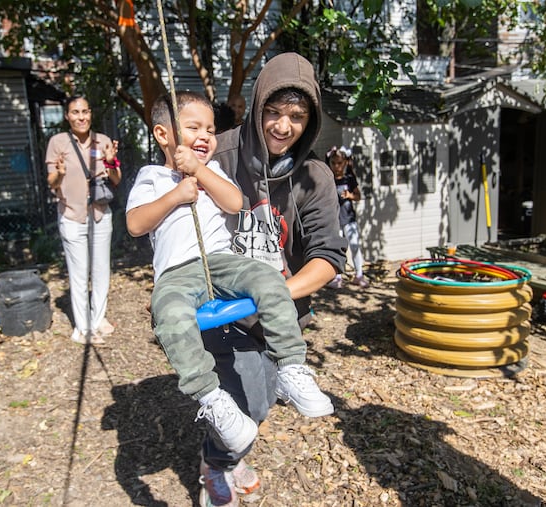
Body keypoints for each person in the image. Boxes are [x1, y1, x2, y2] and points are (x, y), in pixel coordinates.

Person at [126, 91, 332, 456]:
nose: (206, 135)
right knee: (169, 315)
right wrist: (175, 195)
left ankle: (292, 368)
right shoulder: (152, 176)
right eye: (193, 127)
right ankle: (213, 399)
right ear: (163, 135)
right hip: (175, 273)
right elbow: (135, 224)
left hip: (222, 263)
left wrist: (200, 171)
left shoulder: (212, 170)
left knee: (268, 279)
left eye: (210, 129)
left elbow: (235, 203)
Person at [197, 53, 348, 507]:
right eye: (273, 112)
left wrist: (275, 294)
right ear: (257, 105)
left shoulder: (314, 176)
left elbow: (328, 256)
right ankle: (214, 467)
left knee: (256, 405)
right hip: (220, 311)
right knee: (248, 405)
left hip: (278, 314)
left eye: (297, 117)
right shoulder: (218, 154)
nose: (283, 126)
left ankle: (227, 454)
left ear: (311, 121)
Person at [45, 95, 121, 345]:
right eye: (75, 112)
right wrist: (60, 174)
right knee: (79, 273)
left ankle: (98, 318)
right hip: (72, 215)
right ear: (67, 116)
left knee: (101, 270)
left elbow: (116, 179)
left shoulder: (103, 141)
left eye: (85, 112)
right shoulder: (58, 142)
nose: (81, 117)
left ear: (91, 113)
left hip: (99, 213)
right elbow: (51, 182)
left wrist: (111, 162)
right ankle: (82, 328)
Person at [326, 145, 368, 289]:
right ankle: (337, 277)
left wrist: (350, 195)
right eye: (334, 163)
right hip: (334, 220)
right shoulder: (328, 179)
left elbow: (358, 196)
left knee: (355, 246)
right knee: (337, 248)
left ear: (345, 163)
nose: (336, 166)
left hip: (348, 218)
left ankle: (359, 275)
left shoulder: (349, 179)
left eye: (339, 163)